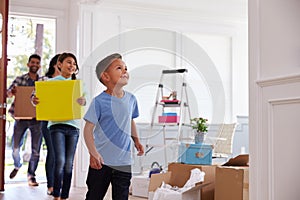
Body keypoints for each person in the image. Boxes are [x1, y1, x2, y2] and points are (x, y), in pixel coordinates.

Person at [83, 53, 144, 200]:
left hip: (124, 161)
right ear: (106, 76)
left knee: (121, 196)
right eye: (119, 68)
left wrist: (136, 140)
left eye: (125, 68)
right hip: (101, 161)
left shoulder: (131, 99)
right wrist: (93, 153)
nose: (125, 71)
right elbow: (87, 130)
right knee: (94, 196)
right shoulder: (99, 102)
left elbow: (130, 121)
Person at [6, 54, 43, 186]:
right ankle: (17, 165)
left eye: (37, 63)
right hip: (20, 118)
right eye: (32, 62)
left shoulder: (43, 82)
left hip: (36, 119)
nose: (34, 64)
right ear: (28, 64)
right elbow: (7, 94)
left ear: (39, 65)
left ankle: (31, 175)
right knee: (15, 148)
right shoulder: (19, 79)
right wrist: (12, 92)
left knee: (36, 150)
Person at [38, 54, 61, 195]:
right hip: (47, 121)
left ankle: (59, 184)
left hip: (64, 121)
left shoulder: (69, 81)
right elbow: (34, 98)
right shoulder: (44, 80)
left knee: (62, 155)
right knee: (52, 152)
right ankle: (51, 185)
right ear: (55, 65)